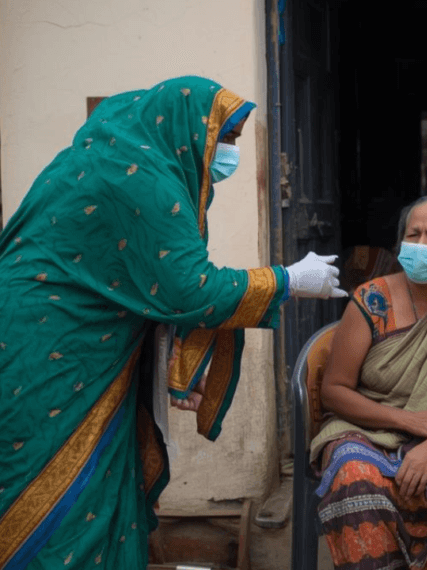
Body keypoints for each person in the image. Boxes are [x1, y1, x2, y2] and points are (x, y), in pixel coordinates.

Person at [0, 76, 345, 570]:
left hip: (48, 338)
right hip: (52, 353)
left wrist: (171, 371)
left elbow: (140, 282)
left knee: (94, 486)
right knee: (60, 498)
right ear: (188, 129)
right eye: (224, 137)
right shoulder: (141, 178)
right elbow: (189, 290)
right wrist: (287, 279)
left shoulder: (105, 156)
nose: (228, 153)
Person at [314, 195, 427, 570]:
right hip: (365, 425)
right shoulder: (371, 300)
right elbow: (334, 391)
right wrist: (410, 421)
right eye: (412, 235)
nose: (421, 245)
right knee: (355, 474)